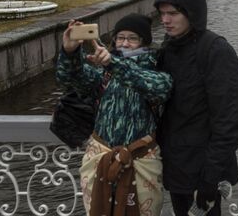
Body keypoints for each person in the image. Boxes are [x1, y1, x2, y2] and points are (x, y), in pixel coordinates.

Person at [56, 13, 173, 216]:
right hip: (101, 157)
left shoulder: (158, 74)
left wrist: (112, 63)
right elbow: (69, 78)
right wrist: (70, 51)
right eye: (120, 37)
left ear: (143, 42)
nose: (125, 43)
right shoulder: (103, 74)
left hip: (141, 162)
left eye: (132, 38)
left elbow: (143, 81)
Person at [154, 0, 238, 216]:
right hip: (177, 165)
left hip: (204, 171)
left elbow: (230, 118)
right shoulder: (170, 48)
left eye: (173, 14)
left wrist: (210, 178)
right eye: (162, 14)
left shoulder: (215, 50)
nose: (165, 20)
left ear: (192, 14)